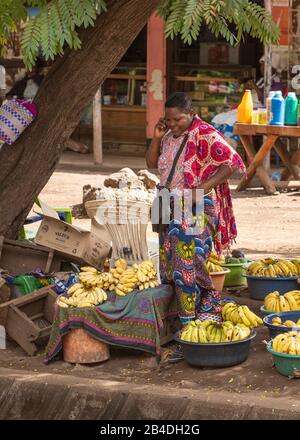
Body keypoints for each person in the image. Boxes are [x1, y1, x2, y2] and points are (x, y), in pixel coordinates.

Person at [146, 92, 245, 362]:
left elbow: (233, 163)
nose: (173, 123)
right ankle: (186, 318)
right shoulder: (168, 136)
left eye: (178, 119)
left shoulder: (206, 134)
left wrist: (200, 190)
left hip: (197, 208)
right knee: (169, 265)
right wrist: (156, 138)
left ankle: (191, 330)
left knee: (186, 264)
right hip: (167, 204)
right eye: (169, 119)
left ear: (191, 114)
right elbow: (152, 164)